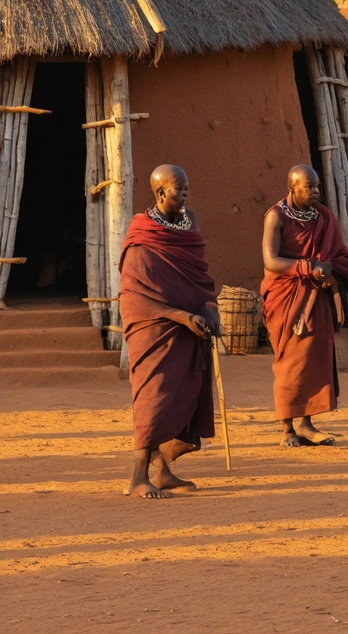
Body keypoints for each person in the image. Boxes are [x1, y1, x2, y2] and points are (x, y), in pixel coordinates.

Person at [119, 165, 220, 500]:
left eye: (187, 187)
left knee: (184, 395)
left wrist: (208, 308)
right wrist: (181, 316)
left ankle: (162, 472)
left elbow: (201, 277)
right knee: (154, 398)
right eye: (179, 188)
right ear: (161, 193)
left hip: (189, 328)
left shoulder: (190, 223)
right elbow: (135, 298)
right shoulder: (142, 236)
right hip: (154, 330)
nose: (185, 194)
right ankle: (137, 478)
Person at [261, 165, 348, 447]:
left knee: (315, 360)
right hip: (286, 297)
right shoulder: (276, 216)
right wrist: (308, 267)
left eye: (317, 186)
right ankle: (286, 428)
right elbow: (271, 260)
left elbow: (341, 255)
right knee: (290, 362)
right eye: (309, 187)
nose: (315, 191)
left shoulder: (323, 217)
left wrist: (329, 269)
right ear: (292, 188)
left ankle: (306, 424)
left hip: (317, 298)